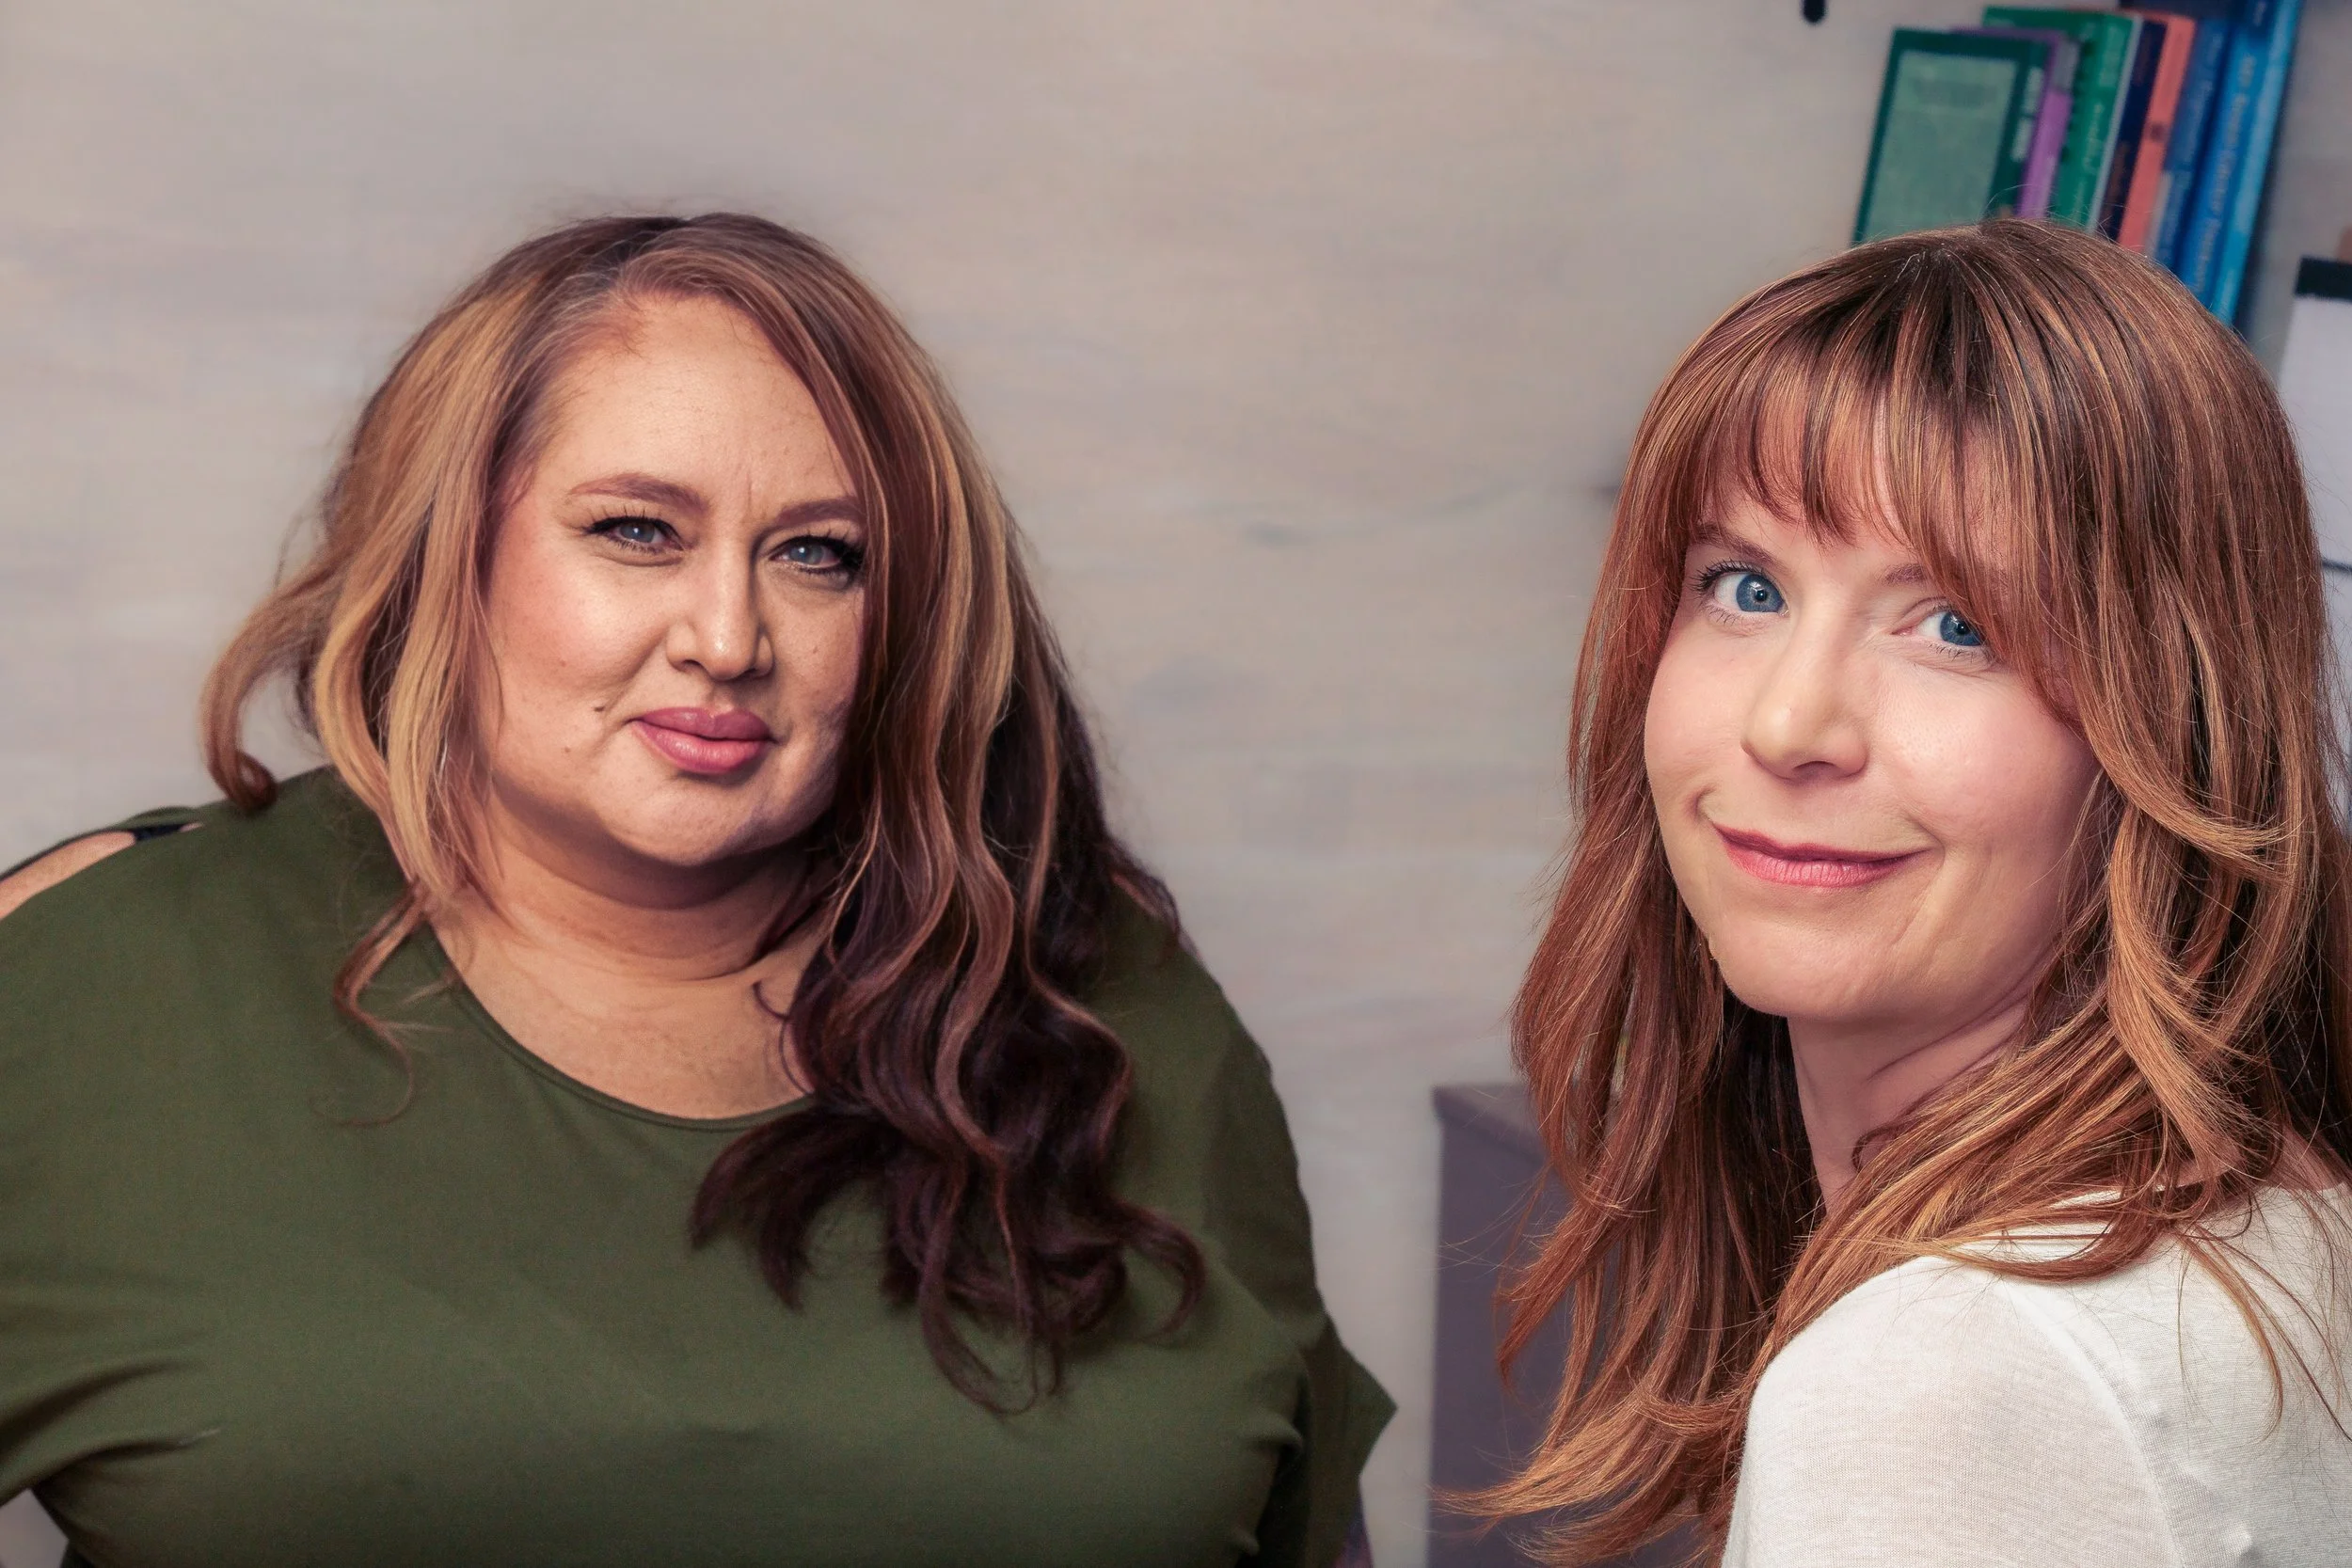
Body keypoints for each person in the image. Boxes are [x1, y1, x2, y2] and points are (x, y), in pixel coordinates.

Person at [0, 214, 1389, 1568]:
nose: (728, 639)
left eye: (819, 554)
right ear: (445, 555)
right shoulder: (92, 981)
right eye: (636, 530)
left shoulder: (1110, 1007)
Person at [1483, 219, 2352, 1565]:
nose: (1790, 724)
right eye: (1745, 588)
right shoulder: (2271, 1212)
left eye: (1958, 626)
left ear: (2177, 727)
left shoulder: (1942, 1383)